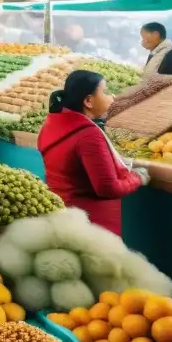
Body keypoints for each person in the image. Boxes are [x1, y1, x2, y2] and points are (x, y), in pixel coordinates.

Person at [37, 70, 149, 235]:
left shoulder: (52, 123)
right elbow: (108, 188)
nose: (112, 97)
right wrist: (137, 177)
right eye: (105, 91)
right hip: (92, 227)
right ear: (89, 101)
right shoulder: (88, 135)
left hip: (63, 215)